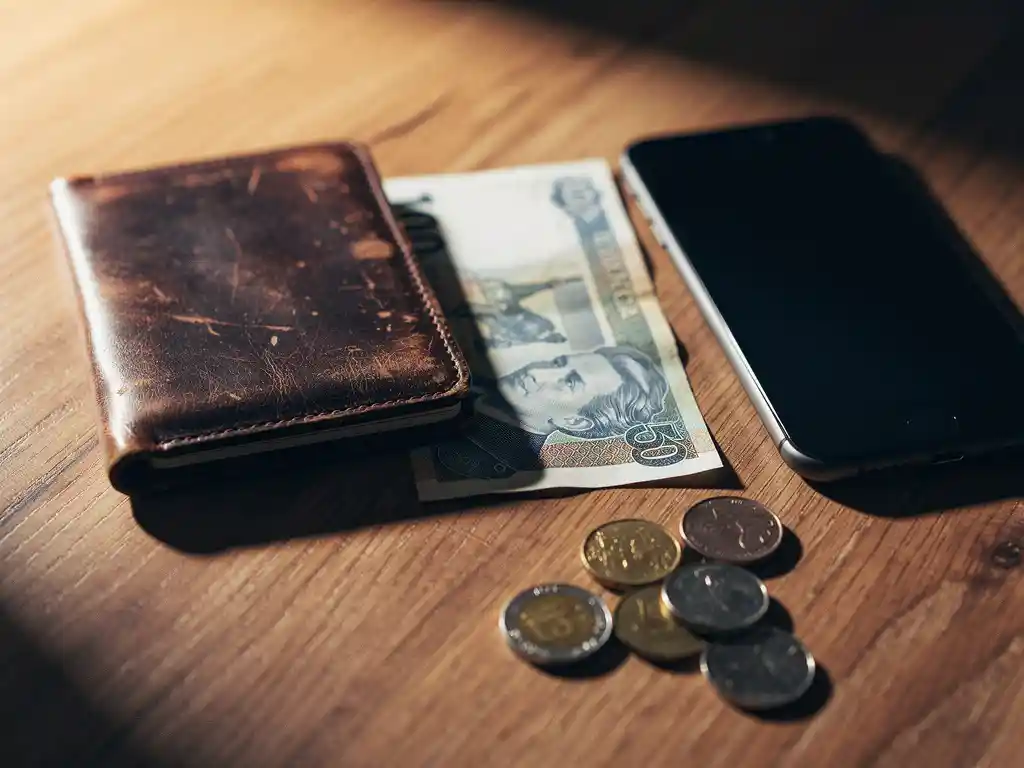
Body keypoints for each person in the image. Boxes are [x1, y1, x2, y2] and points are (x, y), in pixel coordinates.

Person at [432, 345, 670, 480]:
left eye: (570, 382)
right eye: (558, 363)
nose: (538, 372)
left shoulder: (493, 462)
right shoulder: (469, 378)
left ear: (575, 421)